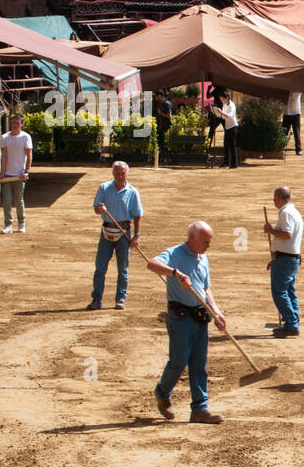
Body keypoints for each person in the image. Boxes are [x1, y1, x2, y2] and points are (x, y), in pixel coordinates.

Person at [146, 222, 225, 424]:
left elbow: (206, 288)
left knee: (199, 364)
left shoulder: (204, 258)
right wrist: (175, 273)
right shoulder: (174, 254)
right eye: (205, 241)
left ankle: (200, 409)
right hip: (180, 317)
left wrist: (216, 311)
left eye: (210, 242)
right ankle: (162, 393)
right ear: (192, 238)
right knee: (179, 361)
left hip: (200, 317)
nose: (208, 245)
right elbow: (151, 264)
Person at [87, 161, 143, 311]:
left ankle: (120, 299)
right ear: (113, 173)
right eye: (117, 172)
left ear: (127, 173)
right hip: (106, 231)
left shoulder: (133, 192)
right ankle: (96, 299)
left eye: (123, 173)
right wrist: (100, 209)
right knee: (100, 267)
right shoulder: (104, 188)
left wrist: (136, 235)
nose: (120, 175)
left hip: (124, 233)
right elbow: (96, 209)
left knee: (123, 269)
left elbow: (137, 215)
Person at [263, 185, 303, 338]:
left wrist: (271, 230)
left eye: (275, 197)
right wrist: (274, 258)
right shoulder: (293, 212)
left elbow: (287, 235)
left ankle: (291, 323)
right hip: (289, 258)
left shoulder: (286, 213)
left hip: (286, 259)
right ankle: (293, 322)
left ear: (280, 197)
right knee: (289, 291)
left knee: (279, 292)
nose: (273, 200)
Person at [0, 110, 31, 234]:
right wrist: (2, 172)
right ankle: (8, 225)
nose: (15, 125)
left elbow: (29, 154)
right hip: (7, 175)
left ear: (21, 124)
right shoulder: (5, 137)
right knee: (6, 199)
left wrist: (27, 171)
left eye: (17, 123)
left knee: (18, 200)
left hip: (19, 175)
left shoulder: (25, 137)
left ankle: (21, 223)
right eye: (13, 123)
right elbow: (4, 156)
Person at [210, 90, 239, 169]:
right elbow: (223, 117)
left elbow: (229, 116)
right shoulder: (224, 104)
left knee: (232, 145)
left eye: (222, 99)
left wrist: (221, 112)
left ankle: (234, 164)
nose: (221, 101)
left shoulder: (231, 105)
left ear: (226, 98)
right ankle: (226, 162)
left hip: (233, 127)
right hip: (227, 127)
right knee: (226, 145)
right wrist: (217, 113)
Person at [205, 82, 226, 148]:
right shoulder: (222, 89)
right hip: (220, 113)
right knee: (226, 131)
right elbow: (208, 97)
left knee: (211, 131)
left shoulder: (218, 89)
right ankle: (226, 147)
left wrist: (208, 89)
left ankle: (207, 147)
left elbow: (208, 96)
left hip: (220, 113)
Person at [154, 91, 173, 165]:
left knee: (166, 144)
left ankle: (167, 158)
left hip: (167, 127)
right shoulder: (161, 104)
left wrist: (160, 113)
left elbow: (169, 116)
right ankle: (162, 159)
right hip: (162, 127)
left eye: (156, 96)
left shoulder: (167, 104)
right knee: (161, 143)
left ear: (160, 96)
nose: (155, 98)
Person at [283, 91, 302, 156]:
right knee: (284, 132)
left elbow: (296, 95)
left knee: (297, 133)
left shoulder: (298, 89)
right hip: (286, 112)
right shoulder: (284, 89)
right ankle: (281, 148)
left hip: (296, 112)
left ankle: (298, 149)